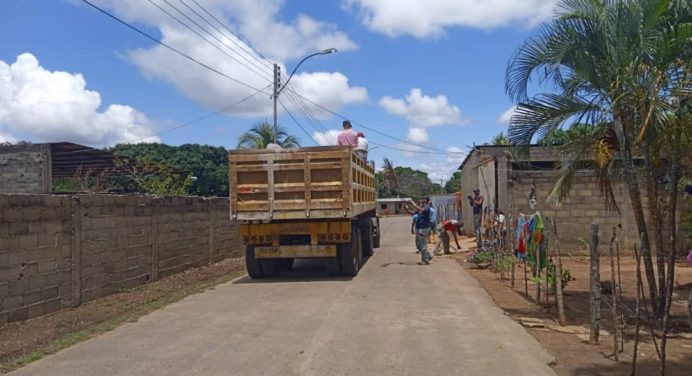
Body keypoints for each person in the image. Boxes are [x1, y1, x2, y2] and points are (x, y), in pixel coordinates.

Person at [413, 195, 433, 264]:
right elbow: (412, 213)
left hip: (424, 227)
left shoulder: (427, 206)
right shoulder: (421, 207)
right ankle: (428, 256)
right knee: (419, 244)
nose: (422, 200)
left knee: (423, 243)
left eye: (423, 199)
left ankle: (425, 260)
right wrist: (406, 208)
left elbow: (422, 210)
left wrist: (415, 205)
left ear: (426, 200)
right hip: (420, 228)